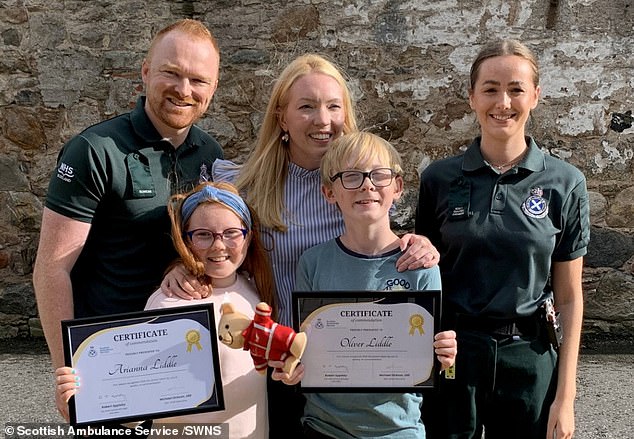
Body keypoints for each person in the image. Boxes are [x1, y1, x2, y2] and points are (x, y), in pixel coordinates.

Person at [163, 53, 441, 437]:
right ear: (282, 117)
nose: (322, 120)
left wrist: (418, 242)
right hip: (272, 362)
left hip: (348, 368)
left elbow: (380, 240)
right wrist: (186, 266)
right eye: (306, 107)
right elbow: (216, 240)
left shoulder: (357, 185)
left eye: (333, 106)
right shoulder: (245, 185)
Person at [32, 18, 224, 422]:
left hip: (184, 360)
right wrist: (67, 370)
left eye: (198, 80)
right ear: (145, 72)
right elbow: (52, 268)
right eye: (171, 73)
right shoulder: (93, 150)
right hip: (110, 364)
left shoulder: (210, 153)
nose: (184, 90)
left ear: (214, 87)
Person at [416, 39, 589, 439]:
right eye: (491, 89)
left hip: (529, 356)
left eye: (516, 89)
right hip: (455, 354)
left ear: (535, 96)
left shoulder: (565, 183)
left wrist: (566, 398)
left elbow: (569, 298)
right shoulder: (439, 180)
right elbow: (423, 277)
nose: (503, 102)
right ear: (472, 97)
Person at [55, 182, 298, 438]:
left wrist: (288, 369)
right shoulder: (168, 303)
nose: (218, 245)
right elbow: (135, 398)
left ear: (248, 236)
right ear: (185, 239)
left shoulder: (257, 291)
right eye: (203, 234)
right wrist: (85, 399)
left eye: (231, 233)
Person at [295, 131, 457, 438]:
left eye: (379, 175)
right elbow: (303, 352)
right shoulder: (312, 263)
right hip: (323, 427)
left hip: (398, 430)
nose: (367, 185)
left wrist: (447, 361)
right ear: (330, 192)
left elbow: (440, 367)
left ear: (397, 187)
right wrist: (291, 366)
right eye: (351, 176)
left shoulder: (420, 266)